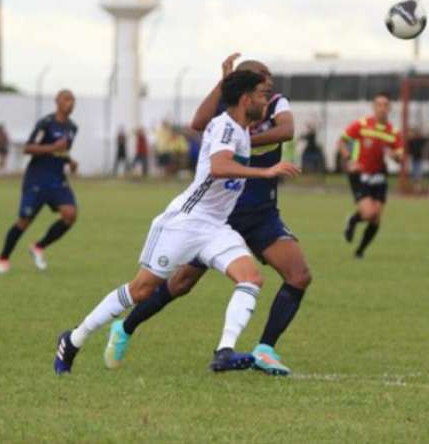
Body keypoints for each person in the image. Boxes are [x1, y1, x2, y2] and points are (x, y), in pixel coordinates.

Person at [53, 70, 300, 375]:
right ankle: (74, 339)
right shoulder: (225, 127)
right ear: (246, 98)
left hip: (216, 227)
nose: (268, 101)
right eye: (263, 94)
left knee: (250, 278)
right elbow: (220, 166)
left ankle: (224, 352)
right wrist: (265, 172)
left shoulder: (240, 128)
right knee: (140, 290)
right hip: (185, 222)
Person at [0, 90, 79, 274]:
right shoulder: (46, 124)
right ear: (57, 101)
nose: (71, 103)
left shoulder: (72, 128)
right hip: (37, 179)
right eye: (67, 99)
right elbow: (28, 148)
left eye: (73, 100)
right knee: (24, 221)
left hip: (57, 179)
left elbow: (62, 152)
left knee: (70, 214)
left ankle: (38, 247)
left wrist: (69, 161)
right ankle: (3, 258)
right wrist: (52, 147)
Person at [338, 92, 403, 259]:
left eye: (385, 105)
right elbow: (342, 141)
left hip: (379, 176)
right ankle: (353, 220)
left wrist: (394, 155)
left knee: (376, 218)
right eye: (378, 105)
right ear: (374, 107)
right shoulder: (362, 125)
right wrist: (349, 159)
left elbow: (400, 157)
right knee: (368, 213)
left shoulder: (393, 132)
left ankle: (360, 252)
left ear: (390, 108)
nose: (382, 108)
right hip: (359, 174)